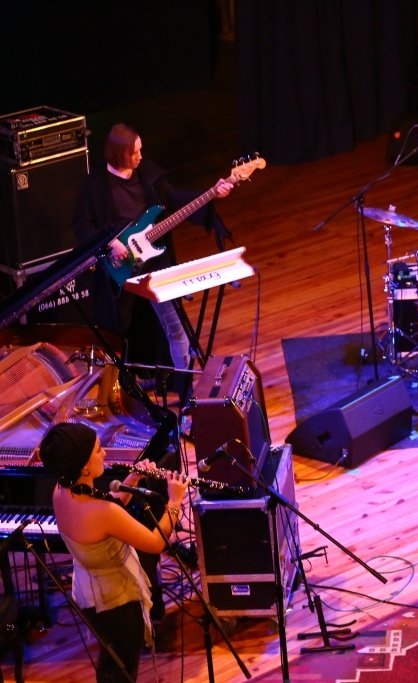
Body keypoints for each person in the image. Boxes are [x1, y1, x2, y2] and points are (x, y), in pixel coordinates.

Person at [72, 123, 233, 398]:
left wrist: (212, 192)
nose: (140, 157)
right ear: (119, 154)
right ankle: (118, 392)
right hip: (118, 273)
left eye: (140, 150)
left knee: (176, 329)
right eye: (134, 152)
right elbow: (82, 225)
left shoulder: (148, 177)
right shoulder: (96, 186)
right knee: (115, 336)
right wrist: (111, 244)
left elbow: (177, 198)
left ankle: (185, 389)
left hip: (155, 267)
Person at [38, 422, 187, 682]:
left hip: (90, 593)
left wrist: (132, 479)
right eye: (98, 450)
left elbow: (104, 511)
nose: (105, 453)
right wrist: (174, 501)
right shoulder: (102, 513)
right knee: (123, 667)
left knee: (111, 660)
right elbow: (155, 543)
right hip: (117, 603)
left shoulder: (62, 490)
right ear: (84, 467)